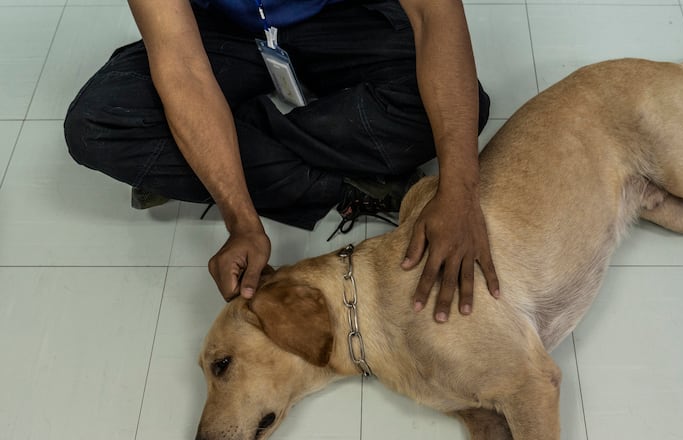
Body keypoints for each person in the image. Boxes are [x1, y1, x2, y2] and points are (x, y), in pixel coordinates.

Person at [64, 0, 500, 322]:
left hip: (343, 20)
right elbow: (181, 66)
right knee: (97, 126)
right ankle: (346, 180)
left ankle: (200, 144)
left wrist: (460, 192)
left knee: (451, 109)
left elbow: (434, 14)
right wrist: (242, 222)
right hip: (218, 36)